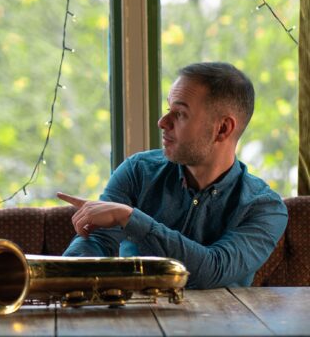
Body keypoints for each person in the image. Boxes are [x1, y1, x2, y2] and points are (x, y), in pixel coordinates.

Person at [59, 62, 288, 289]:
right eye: (169, 110)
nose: (162, 122)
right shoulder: (138, 171)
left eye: (180, 114)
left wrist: (131, 218)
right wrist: (65, 274)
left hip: (217, 323)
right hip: (136, 320)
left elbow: (214, 269)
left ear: (222, 129)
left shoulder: (264, 207)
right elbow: (99, 241)